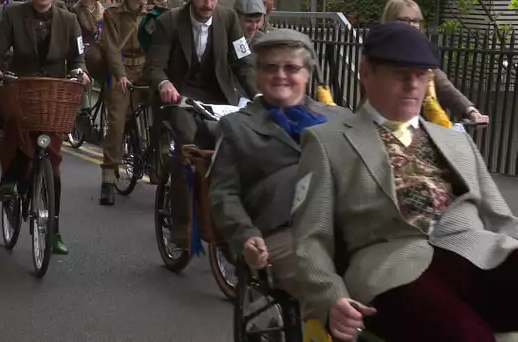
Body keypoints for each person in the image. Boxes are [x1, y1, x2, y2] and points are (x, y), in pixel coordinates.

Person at [292, 22, 518, 342]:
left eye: (422, 75)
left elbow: (499, 216)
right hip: (394, 268)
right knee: (467, 336)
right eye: (401, 74)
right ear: (367, 73)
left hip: (474, 251)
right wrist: (330, 297)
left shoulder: (454, 140)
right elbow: (310, 236)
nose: (414, 85)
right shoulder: (327, 141)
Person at [209, 29, 351, 299]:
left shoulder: (339, 119)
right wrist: (245, 235)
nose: (280, 75)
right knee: (324, 285)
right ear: (257, 75)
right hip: (282, 232)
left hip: (343, 225)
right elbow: (223, 193)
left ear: (307, 74)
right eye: (270, 67)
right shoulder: (236, 127)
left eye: (291, 67)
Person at [145, 0, 258, 249]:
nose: (208, 4)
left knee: (240, 140)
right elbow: (154, 67)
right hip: (181, 97)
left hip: (218, 98)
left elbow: (243, 63)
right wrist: (164, 83)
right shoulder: (169, 22)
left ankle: (233, 215)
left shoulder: (228, 20)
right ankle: (181, 223)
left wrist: (258, 95)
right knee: (187, 144)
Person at [0, 0, 90, 254]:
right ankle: (10, 180)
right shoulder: (13, 15)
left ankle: (52, 231)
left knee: (53, 160)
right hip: (21, 88)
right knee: (16, 129)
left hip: (53, 95)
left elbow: (78, 59)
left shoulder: (69, 20)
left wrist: (81, 72)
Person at [379, 0, 488, 124]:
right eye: (404, 20)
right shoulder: (378, 52)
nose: (411, 25)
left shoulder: (421, 52)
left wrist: (470, 110)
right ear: (390, 20)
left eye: (415, 21)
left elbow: (443, 85)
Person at [99, 0, 148, 205]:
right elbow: (111, 50)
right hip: (120, 71)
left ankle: (159, 163)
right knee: (117, 122)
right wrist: (120, 75)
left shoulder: (155, 14)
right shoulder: (112, 15)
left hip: (146, 70)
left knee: (163, 112)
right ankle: (108, 179)